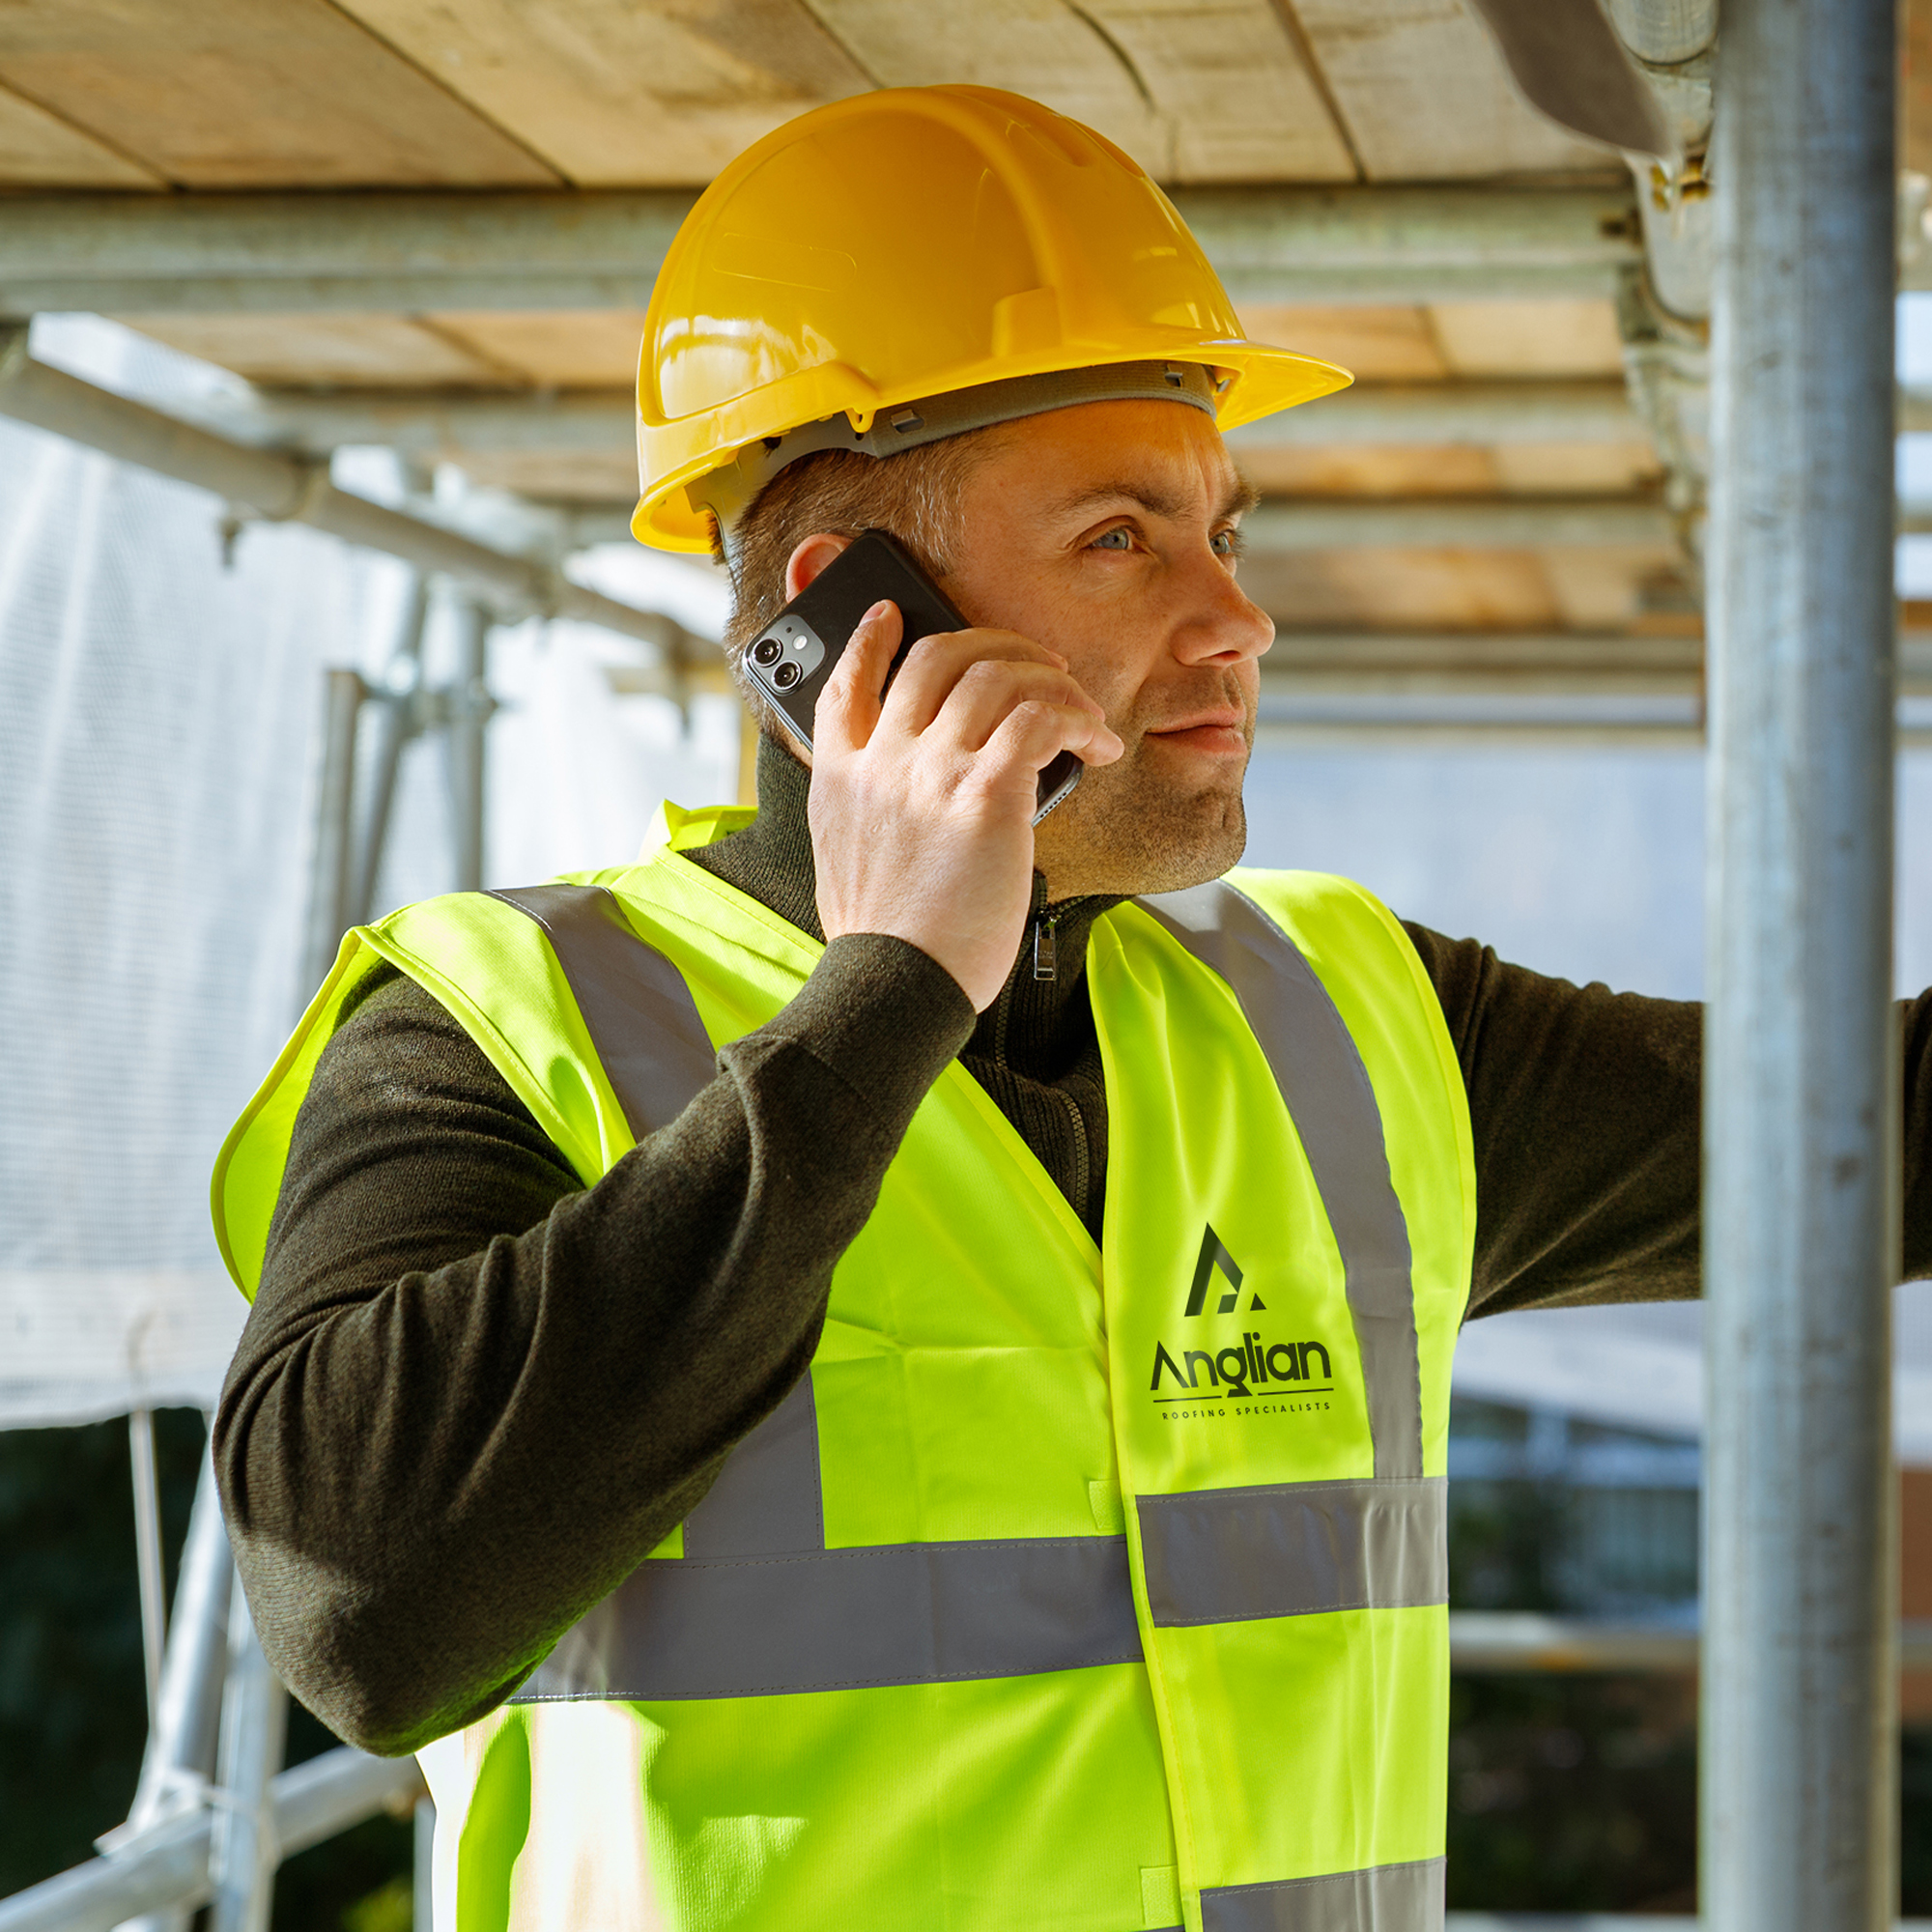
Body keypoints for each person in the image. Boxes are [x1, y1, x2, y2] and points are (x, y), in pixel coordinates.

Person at [211, 86, 1932, 1932]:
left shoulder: (1354, 1025)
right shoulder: (504, 1020)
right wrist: (886, 1002)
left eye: (1228, 532)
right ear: (848, 613)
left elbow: (1884, 1125)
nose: (1237, 619)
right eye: (1125, 537)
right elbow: (359, 1608)